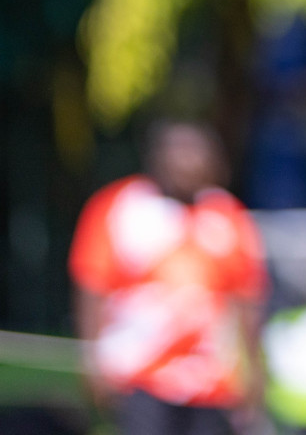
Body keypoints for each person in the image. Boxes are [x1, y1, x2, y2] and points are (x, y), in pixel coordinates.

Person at [70, 120, 268, 435]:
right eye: (178, 151)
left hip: (211, 381)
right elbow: (93, 288)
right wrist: (93, 361)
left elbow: (246, 299)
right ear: (156, 157)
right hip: (139, 375)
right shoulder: (119, 207)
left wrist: (255, 372)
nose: (187, 161)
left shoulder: (228, 217)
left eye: (196, 152)